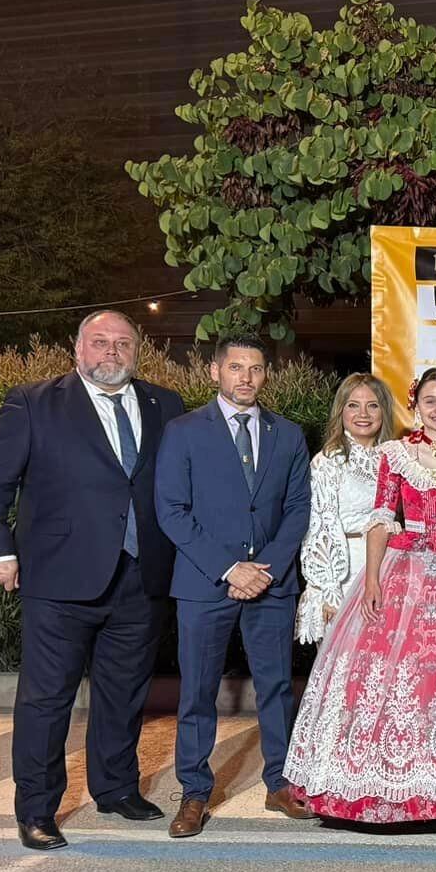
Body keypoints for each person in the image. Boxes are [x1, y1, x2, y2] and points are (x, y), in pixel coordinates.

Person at [0, 310, 187, 851]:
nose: (112, 352)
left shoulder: (166, 405)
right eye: (100, 342)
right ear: (78, 348)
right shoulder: (34, 403)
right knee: (46, 700)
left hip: (142, 575)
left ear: (138, 349)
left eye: (123, 343)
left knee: (125, 694)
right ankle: (37, 809)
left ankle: (115, 789)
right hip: (59, 577)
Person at [285, 368, 436, 824]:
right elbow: (381, 519)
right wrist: (374, 577)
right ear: (415, 405)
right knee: (398, 682)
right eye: (429, 400)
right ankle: (388, 787)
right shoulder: (396, 455)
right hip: (406, 571)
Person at [153, 335, 312, 838]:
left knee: (276, 687)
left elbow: (297, 509)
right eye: (236, 367)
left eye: (257, 368)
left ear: (267, 376)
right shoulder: (182, 431)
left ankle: (280, 781)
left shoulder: (287, 434)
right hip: (205, 584)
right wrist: (230, 568)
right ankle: (195, 792)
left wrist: (263, 568)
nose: (246, 377)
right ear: (215, 372)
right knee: (197, 693)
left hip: (271, 583)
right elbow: (171, 511)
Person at [296, 373, 395, 644]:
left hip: (388, 570)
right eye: (353, 405)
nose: (363, 413)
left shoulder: (395, 458)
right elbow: (319, 525)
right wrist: (330, 590)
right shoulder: (329, 461)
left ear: (384, 411)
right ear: (341, 411)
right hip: (343, 574)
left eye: (372, 405)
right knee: (339, 671)